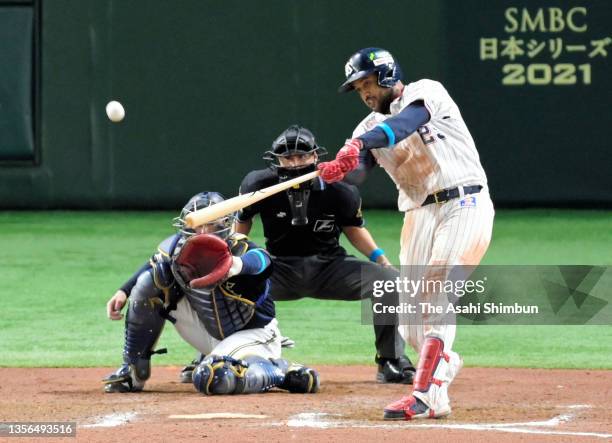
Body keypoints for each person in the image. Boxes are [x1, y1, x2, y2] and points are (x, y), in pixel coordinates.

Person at [318, 48, 495, 420]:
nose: (364, 93)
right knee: (412, 320)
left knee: (436, 290)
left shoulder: (426, 91)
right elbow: (359, 172)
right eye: (358, 87)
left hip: (464, 202)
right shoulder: (364, 130)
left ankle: (426, 394)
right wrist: (339, 171)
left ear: (385, 75)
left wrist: (360, 147)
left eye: (367, 83)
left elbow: (403, 125)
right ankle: (442, 369)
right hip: (419, 215)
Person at [180, 125, 414, 385]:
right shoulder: (258, 184)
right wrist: (232, 261)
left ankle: (390, 360)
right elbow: (242, 227)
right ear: (276, 160)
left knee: (389, 282)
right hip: (278, 269)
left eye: (302, 156)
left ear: (316, 156)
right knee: (223, 282)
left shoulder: (340, 189)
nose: (295, 163)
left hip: (330, 267)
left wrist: (382, 261)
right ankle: (210, 355)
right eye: (288, 158)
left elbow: (354, 230)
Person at [103, 192, 319, 395]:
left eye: (211, 223)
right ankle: (133, 371)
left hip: (253, 335)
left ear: (225, 224)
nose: (204, 231)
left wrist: (237, 265)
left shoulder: (240, 250)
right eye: (199, 223)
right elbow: (151, 266)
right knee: (150, 281)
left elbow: (264, 262)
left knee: (214, 378)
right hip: (209, 329)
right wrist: (123, 291)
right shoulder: (177, 247)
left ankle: (280, 371)